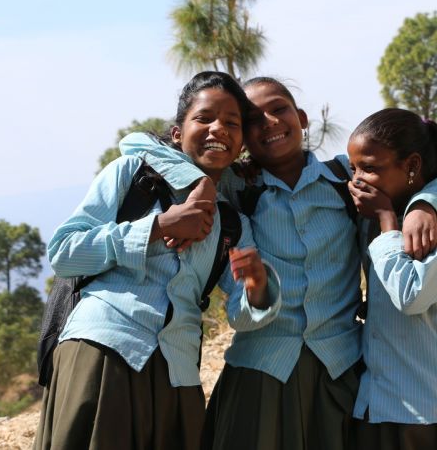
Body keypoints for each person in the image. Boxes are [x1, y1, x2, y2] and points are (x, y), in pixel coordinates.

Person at [119, 76, 437, 450]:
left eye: (279, 109)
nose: (269, 121)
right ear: (241, 141)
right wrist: (199, 181)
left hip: (341, 374)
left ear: (302, 118)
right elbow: (135, 143)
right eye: (253, 119)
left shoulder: (347, 178)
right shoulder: (235, 185)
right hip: (261, 373)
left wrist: (426, 201)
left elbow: (419, 156)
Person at [33, 71, 281, 450]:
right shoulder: (132, 175)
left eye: (232, 123)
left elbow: (243, 315)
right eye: (204, 118)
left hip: (176, 375)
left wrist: (258, 287)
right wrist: (157, 226)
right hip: (104, 352)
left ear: (241, 143)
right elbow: (64, 253)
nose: (219, 129)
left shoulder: (232, 220)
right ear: (178, 133)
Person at [347, 109, 437, 450]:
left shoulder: (425, 226)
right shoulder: (374, 212)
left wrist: (388, 220)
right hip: (375, 404)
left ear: (412, 166)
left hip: (420, 412)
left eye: (370, 168)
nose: (358, 179)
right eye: (354, 168)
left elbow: (411, 296)